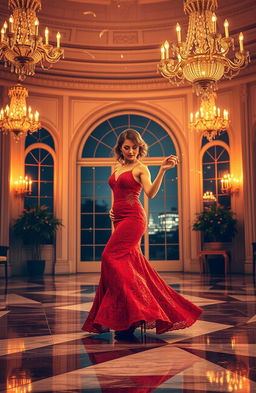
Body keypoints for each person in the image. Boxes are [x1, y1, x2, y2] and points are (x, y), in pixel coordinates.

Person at [82, 129, 202, 339]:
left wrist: (163, 170)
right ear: (120, 148)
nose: (130, 151)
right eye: (126, 147)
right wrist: (113, 212)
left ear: (139, 148)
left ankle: (135, 312)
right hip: (119, 219)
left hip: (134, 218)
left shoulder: (141, 168)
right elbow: (117, 195)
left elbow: (150, 193)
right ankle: (127, 319)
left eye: (134, 147)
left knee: (109, 257)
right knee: (131, 265)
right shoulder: (118, 167)